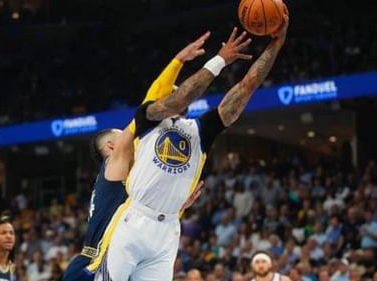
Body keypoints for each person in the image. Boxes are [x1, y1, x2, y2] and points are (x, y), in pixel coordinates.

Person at [93, 11, 289, 280]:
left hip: (168, 229)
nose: (178, 92)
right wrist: (220, 60)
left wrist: (276, 44)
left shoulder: (201, 131)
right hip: (133, 219)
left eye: (179, 88)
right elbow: (181, 98)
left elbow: (246, 87)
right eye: (174, 89)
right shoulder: (148, 118)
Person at [62, 32, 210, 281]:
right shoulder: (114, 163)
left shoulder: (128, 179)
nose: (131, 137)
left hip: (114, 259)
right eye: (123, 135)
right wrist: (177, 63)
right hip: (95, 263)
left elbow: (147, 206)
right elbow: (147, 108)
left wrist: (177, 206)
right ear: (111, 146)